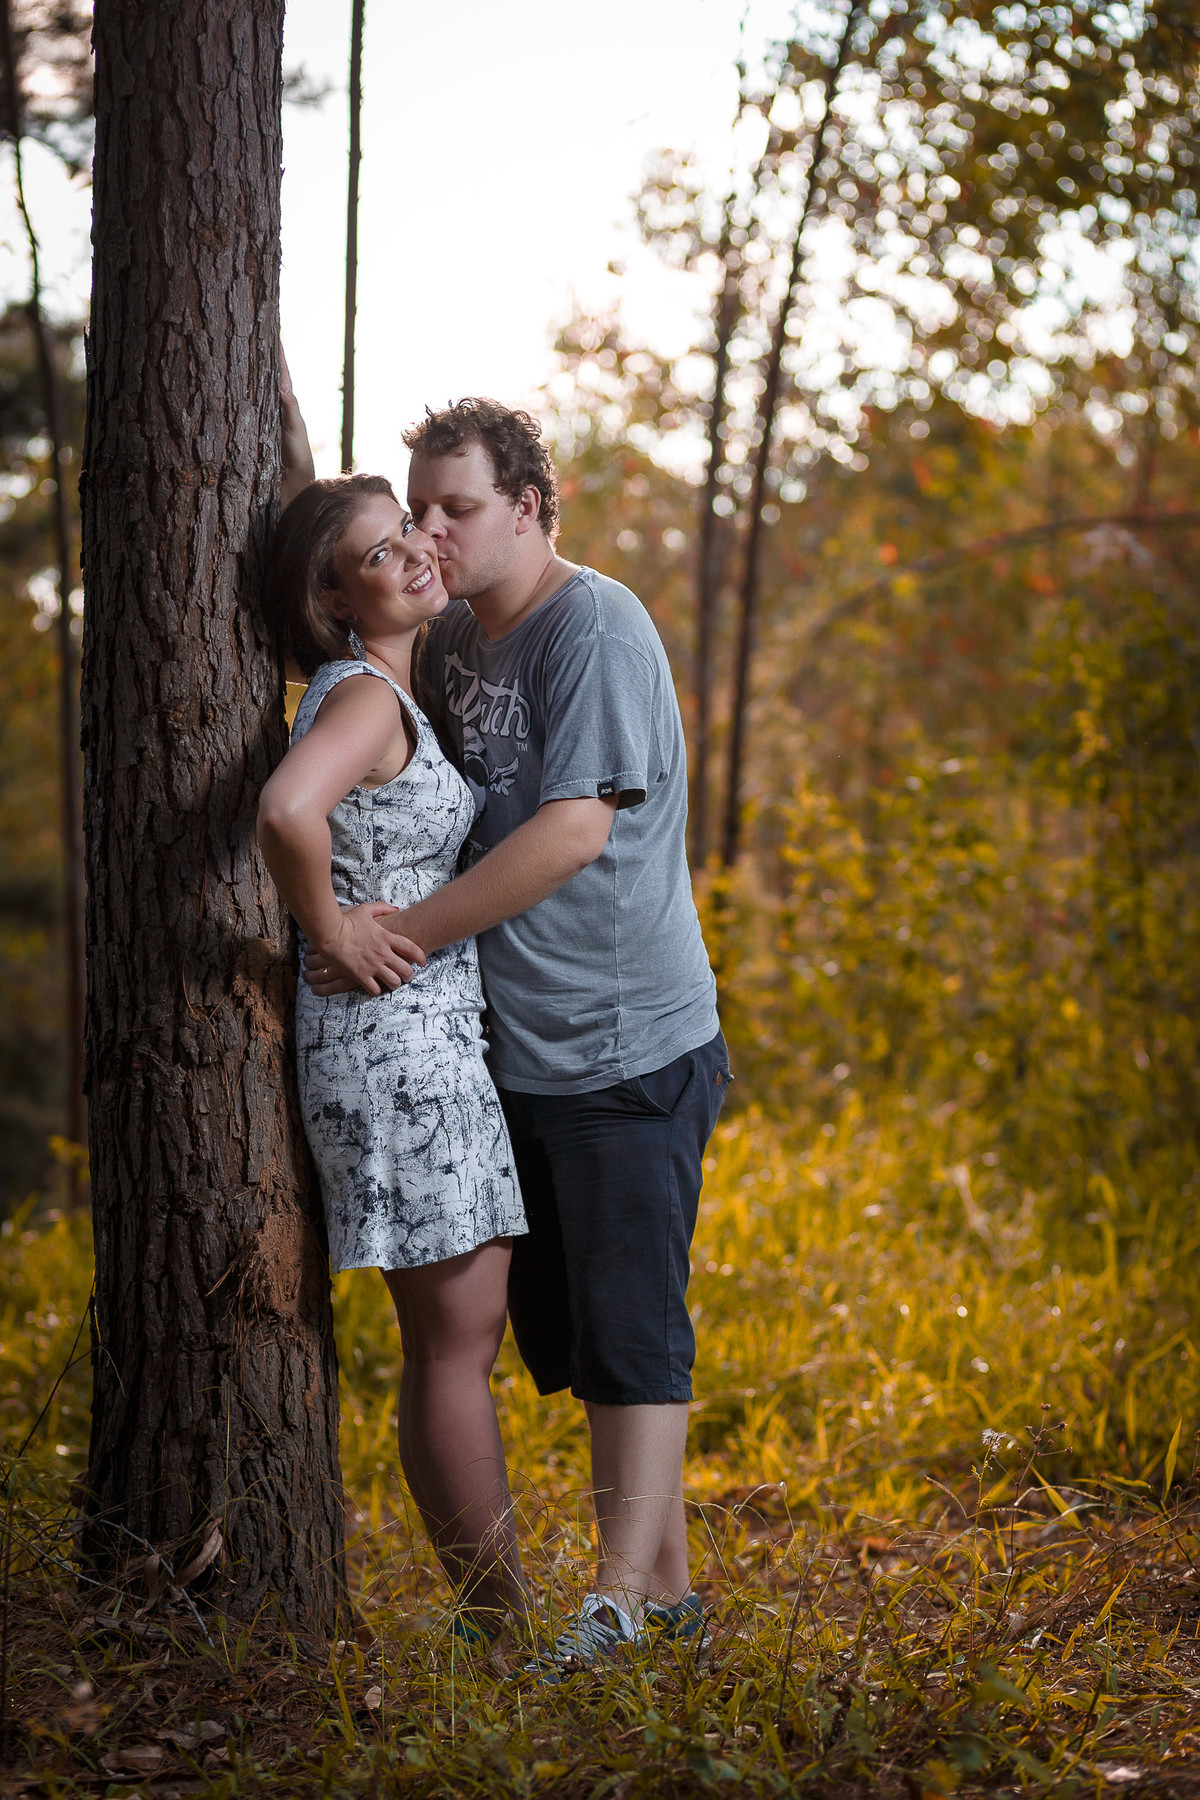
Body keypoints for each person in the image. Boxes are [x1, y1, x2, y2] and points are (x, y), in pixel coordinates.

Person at [287, 393, 731, 1677]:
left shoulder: (594, 623)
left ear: (529, 508)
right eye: (416, 511)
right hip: (512, 1053)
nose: (430, 532)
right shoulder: (460, 637)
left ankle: (612, 1605)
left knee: (636, 1336)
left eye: (457, 509)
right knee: (589, 1337)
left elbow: (573, 830)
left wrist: (402, 932)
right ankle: (674, 1607)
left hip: (623, 1043)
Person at [257, 465, 529, 1644]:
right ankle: (505, 1631)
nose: (416, 553)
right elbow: (286, 811)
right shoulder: (363, 694)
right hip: (397, 1048)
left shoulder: (382, 690)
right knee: (457, 1346)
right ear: (334, 598)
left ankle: (498, 1621)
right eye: (380, 553)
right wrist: (332, 929)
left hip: (415, 1043)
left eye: (408, 535)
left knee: (455, 1342)